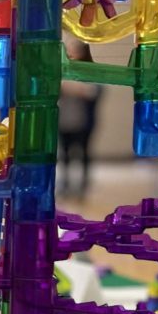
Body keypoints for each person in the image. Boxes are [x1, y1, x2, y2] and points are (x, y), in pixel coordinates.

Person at [58, 34, 102, 199]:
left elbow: (95, 91)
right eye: (69, 48)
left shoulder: (90, 70)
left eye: (75, 48)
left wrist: (77, 89)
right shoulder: (62, 68)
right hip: (64, 119)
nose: (71, 52)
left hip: (83, 120)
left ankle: (83, 185)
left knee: (84, 152)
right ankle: (66, 183)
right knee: (65, 153)